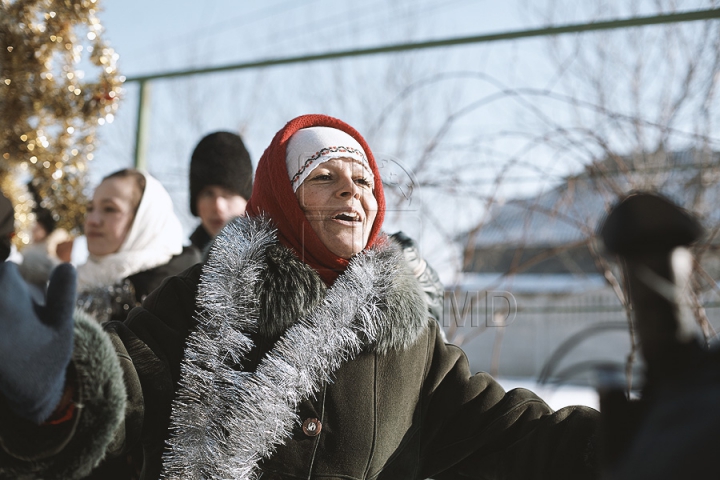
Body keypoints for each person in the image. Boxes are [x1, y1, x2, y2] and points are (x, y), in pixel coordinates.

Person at [0, 115, 598, 480]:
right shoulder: (205, 296)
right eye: (324, 176)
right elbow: (125, 394)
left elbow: (509, 434)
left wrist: (634, 440)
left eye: (363, 179)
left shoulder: (408, 339)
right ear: (283, 199)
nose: (353, 191)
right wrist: (62, 391)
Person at [75, 168, 201, 324]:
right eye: (90, 208)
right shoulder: (75, 283)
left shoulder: (176, 295)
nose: (92, 220)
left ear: (145, 221)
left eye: (109, 209)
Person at [188, 131, 253, 255]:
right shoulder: (180, 268)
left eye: (229, 193)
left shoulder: (274, 265)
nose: (218, 206)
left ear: (247, 200)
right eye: (208, 194)